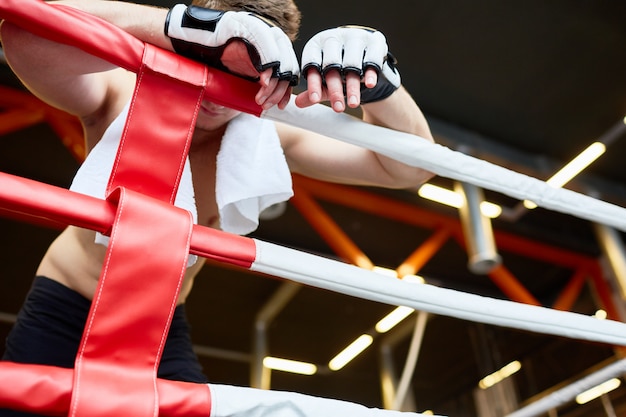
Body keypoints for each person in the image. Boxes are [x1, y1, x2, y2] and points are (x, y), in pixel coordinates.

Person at [0, 0, 435, 415]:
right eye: (213, 60)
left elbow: (407, 170)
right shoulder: (123, 86)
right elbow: (25, 32)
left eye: (246, 76)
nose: (218, 91)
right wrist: (184, 28)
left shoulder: (267, 131)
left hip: (163, 324)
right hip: (66, 304)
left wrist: (382, 85)